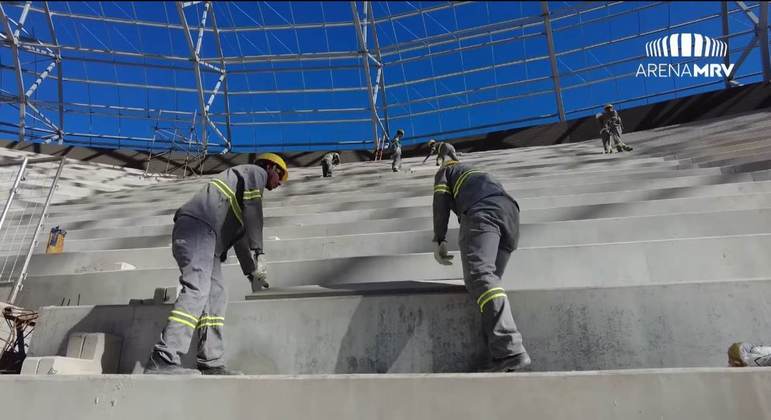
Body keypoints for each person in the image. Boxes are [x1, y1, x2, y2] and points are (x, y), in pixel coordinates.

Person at [144, 153, 288, 375]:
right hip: (198, 228)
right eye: (280, 177)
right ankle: (163, 357)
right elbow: (253, 209)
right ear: (270, 167)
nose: (279, 184)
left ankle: (211, 362)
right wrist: (259, 250)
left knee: (216, 297)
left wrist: (252, 273)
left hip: (209, 244)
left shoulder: (239, 195)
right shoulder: (254, 173)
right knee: (197, 290)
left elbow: (240, 240)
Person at [431, 159, 531, 372]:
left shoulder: (445, 172)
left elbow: (440, 201)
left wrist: (439, 239)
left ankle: (510, 350)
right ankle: (497, 355)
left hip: (482, 211)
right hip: (511, 213)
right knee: (489, 285)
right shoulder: (477, 172)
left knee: (480, 276)